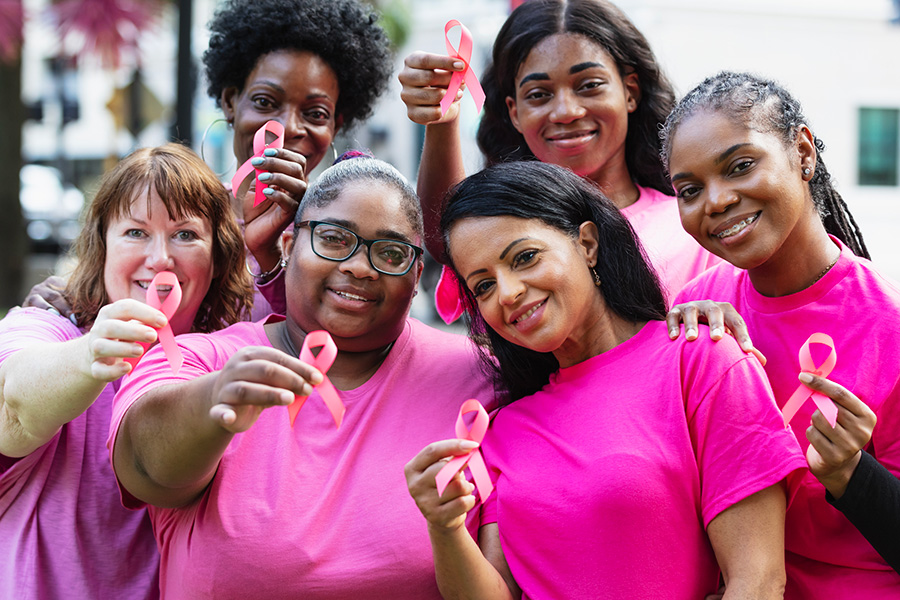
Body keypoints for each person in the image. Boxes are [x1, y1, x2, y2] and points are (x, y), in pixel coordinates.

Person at [405, 160, 806, 599]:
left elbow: (760, 580)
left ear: (588, 243)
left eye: (524, 257)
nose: (507, 293)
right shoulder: (503, 428)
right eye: (482, 286)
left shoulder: (700, 361)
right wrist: (444, 528)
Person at [107, 155, 495, 599]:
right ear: (289, 244)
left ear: (416, 272)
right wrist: (214, 403)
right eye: (333, 239)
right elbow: (144, 468)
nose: (360, 267)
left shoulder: (476, 377)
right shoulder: (199, 360)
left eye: (390, 253)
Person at [661, 71, 900, 596]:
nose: (716, 201)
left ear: (803, 152)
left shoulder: (890, 326)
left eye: (740, 166)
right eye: (690, 190)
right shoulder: (695, 308)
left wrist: (849, 473)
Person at [0, 143, 253, 599]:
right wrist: (89, 358)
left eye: (185, 235)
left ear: (217, 257)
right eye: (136, 233)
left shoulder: (232, 353)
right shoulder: (46, 327)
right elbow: (13, 403)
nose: (160, 257)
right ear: (101, 246)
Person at [399, 0, 718, 303]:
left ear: (630, 92)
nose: (566, 111)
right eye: (538, 94)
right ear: (515, 113)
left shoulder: (691, 226)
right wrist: (442, 119)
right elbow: (445, 239)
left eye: (589, 85)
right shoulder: (498, 225)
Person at [202, 0, 393, 317]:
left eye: (316, 113)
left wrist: (273, 254)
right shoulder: (185, 216)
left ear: (336, 125)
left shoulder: (346, 237)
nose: (288, 128)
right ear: (230, 102)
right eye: (264, 102)